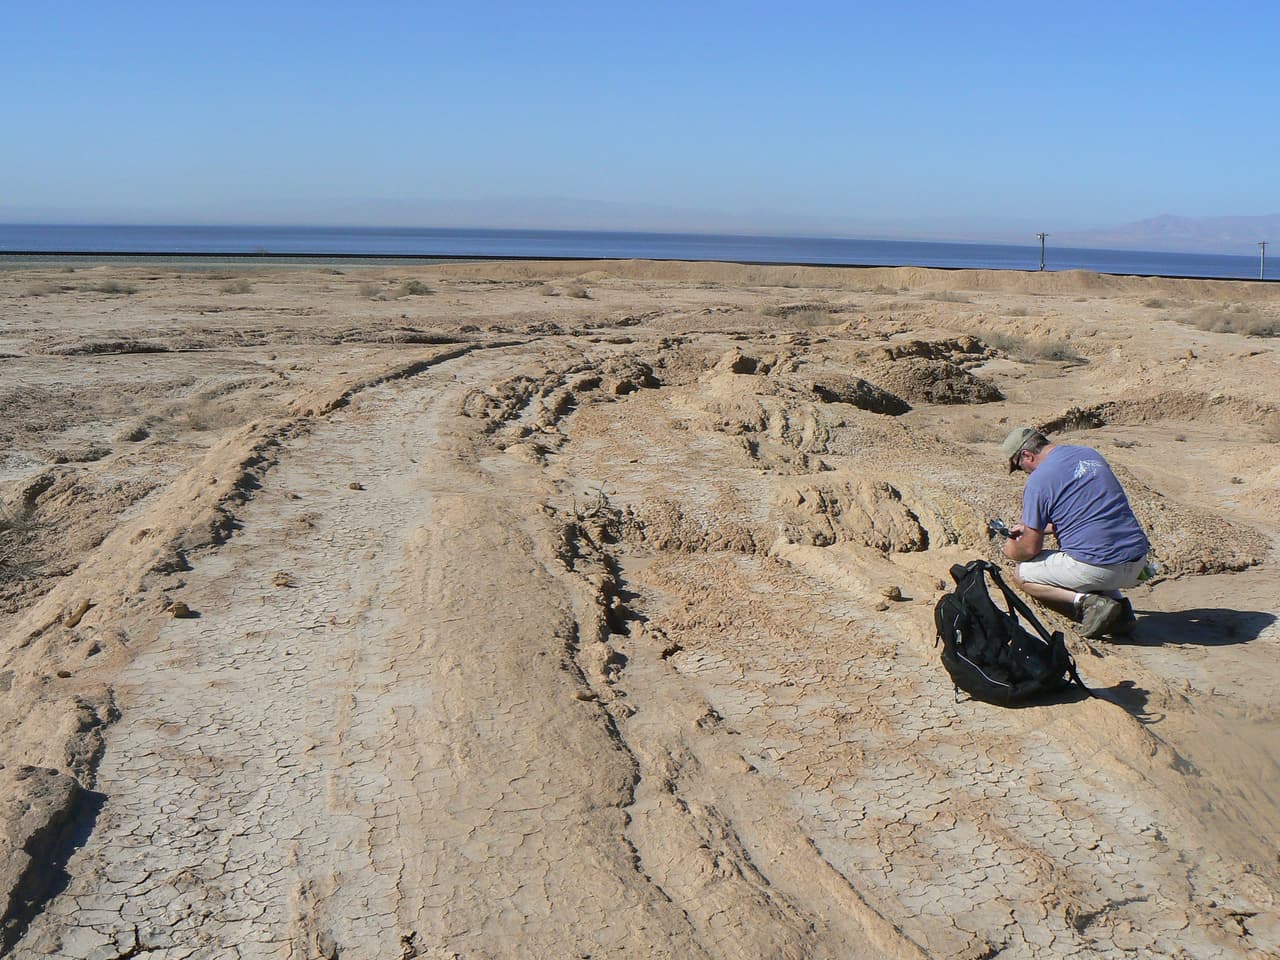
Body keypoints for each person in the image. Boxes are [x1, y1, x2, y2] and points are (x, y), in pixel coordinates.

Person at [999, 427, 1150, 639]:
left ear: (1027, 455)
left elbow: (1029, 549)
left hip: (1101, 567)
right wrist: (1040, 527)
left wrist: (1011, 549)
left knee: (1022, 574)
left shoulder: (1039, 480)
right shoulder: (1089, 454)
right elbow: (1087, 512)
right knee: (1088, 558)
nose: (1024, 471)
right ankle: (1121, 611)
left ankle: (1089, 604)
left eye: (1019, 466)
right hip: (1138, 562)